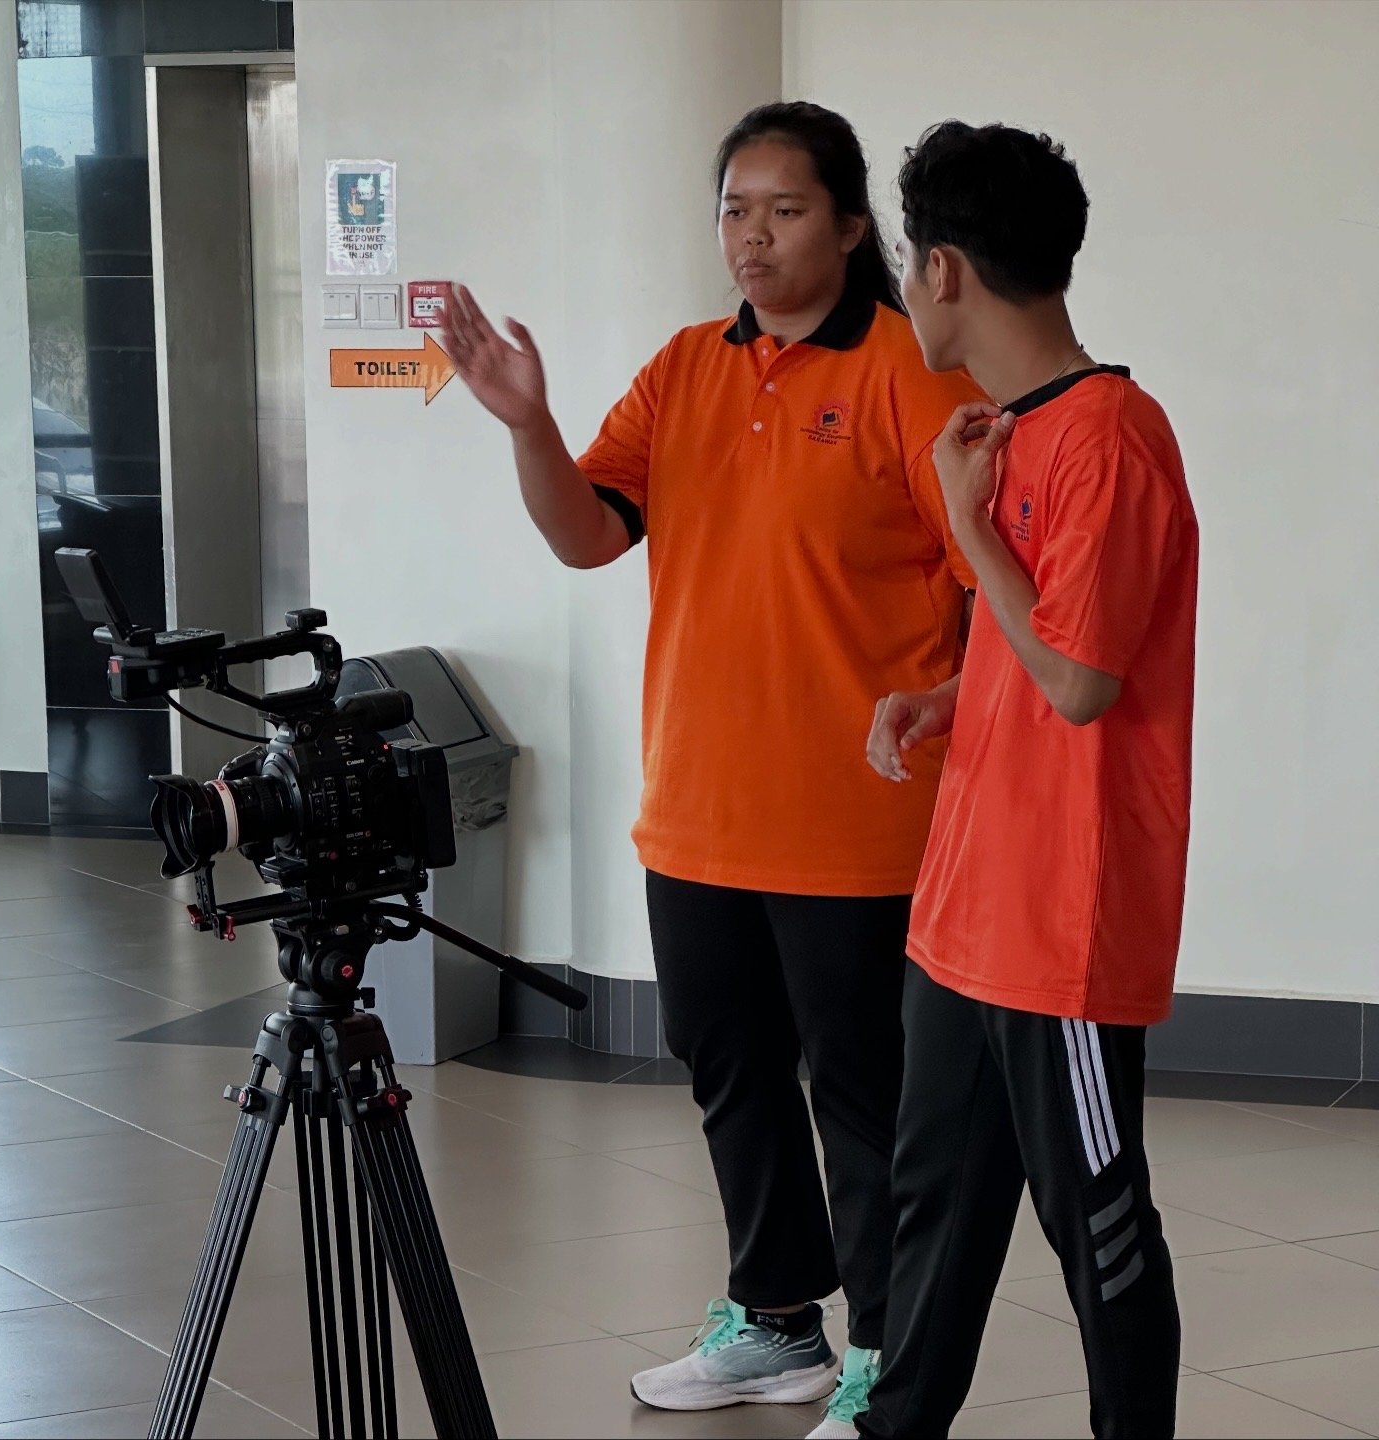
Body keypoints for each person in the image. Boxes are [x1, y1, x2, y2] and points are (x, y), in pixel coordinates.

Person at [441, 102, 983, 1434]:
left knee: (863, 1097)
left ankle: (888, 1360)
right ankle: (777, 1321)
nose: (752, 234)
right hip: (695, 814)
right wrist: (528, 425)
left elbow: (993, 592)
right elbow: (588, 535)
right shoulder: (685, 367)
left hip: (857, 822)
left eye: (784, 208)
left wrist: (946, 700)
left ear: (854, 226)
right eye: (734, 207)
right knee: (729, 1070)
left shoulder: (914, 373)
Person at [853, 121, 1198, 1439]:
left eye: (902, 259)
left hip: (1061, 925)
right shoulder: (1008, 431)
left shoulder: (1111, 435)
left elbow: (1084, 683)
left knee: (1097, 1229)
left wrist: (968, 532)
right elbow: (1033, 654)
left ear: (943, 271)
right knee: (931, 1207)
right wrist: (946, 697)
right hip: (964, 918)